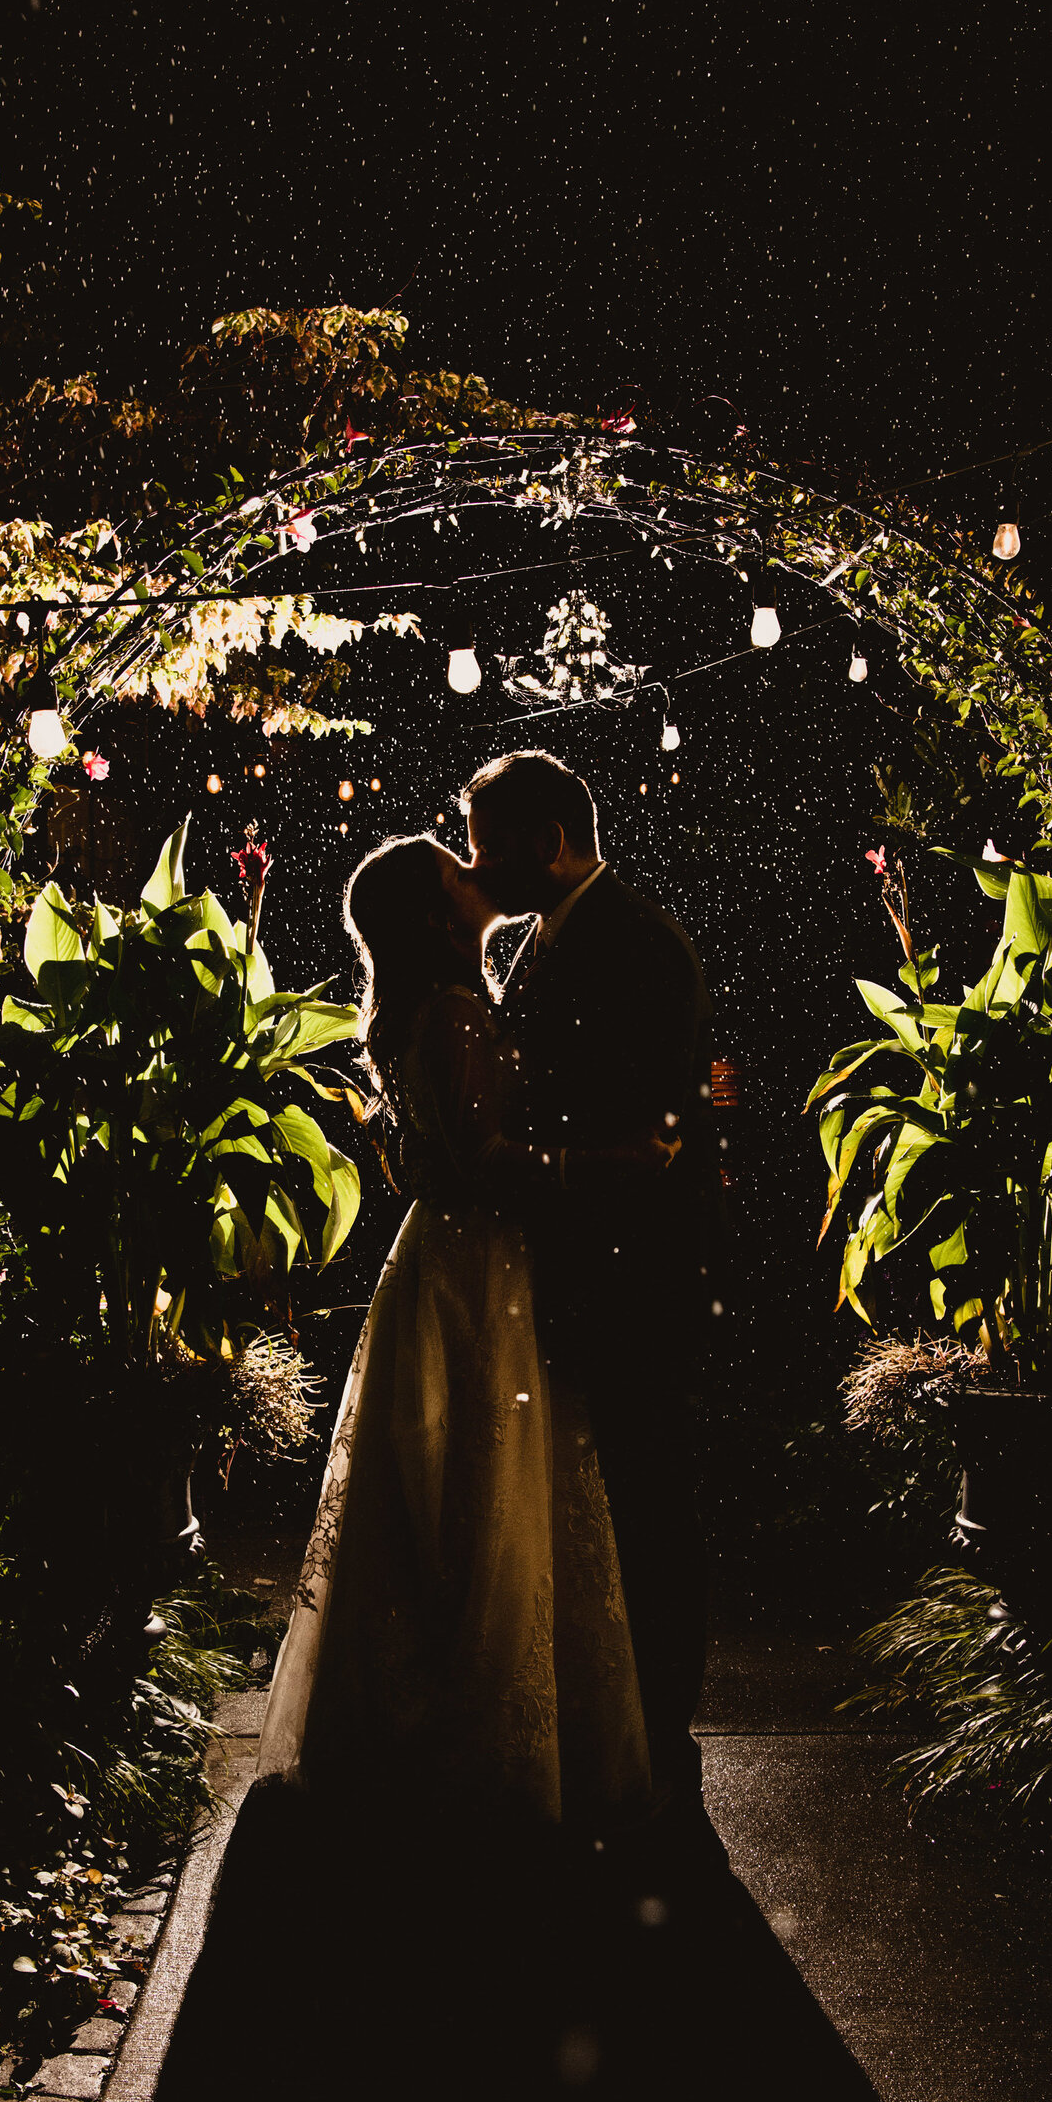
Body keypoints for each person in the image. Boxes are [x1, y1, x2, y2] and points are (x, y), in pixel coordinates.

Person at [256, 831, 674, 1831]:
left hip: (438, 1264)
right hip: (479, 1266)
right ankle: (480, 1737)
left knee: (440, 1489)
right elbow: (487, 1160)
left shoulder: (426, 1010)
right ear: (439, 915)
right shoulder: (451, 1011)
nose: (477, 873)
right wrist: (612, 1163)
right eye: (458, 869)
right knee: (482, 1480)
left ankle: (424, 1712)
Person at [461, 750, 725, 1814]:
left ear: (542, 840)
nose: (476, 864)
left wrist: (541, 1172)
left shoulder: (639, 944)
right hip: (570, 1272)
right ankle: (605, 1716)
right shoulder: (539, 942)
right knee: (598, 1504)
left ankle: (660, 1733)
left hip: (636, 1278)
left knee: (650, 1501)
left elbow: (651, 1132)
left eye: (485, 839)